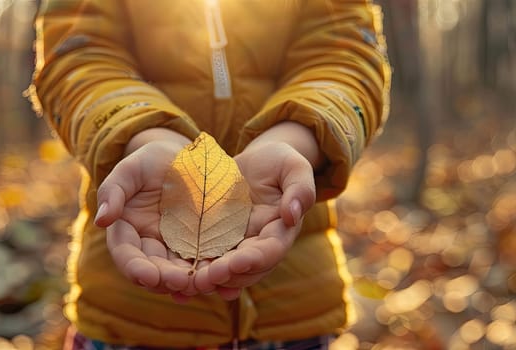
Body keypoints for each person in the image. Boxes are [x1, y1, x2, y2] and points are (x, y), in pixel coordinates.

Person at [27, 0, 391, 349]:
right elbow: (76, 58)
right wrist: (142, 133)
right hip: (129, 312)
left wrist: (296, 137)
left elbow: (348, 55)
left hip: (294, 302)